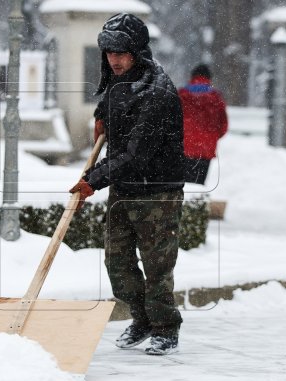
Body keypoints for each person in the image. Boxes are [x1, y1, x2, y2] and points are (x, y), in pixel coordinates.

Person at [69, 13, 185, 356]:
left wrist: (93, 180)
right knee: (117, 265)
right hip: (124, 186)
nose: (114, 60)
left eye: (121, 53)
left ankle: (165, 326)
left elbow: (136, 154)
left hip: (157, 190)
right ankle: (142, 319)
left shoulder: (158, 92)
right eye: (109, 53)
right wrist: (101, 116)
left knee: (157, 265)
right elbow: (111, 104)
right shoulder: (117, 80)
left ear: (137, 51)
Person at [179, 64, 228, 184]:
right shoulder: (215, 97)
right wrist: (211, 137)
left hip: (183, 146)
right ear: (209, 78)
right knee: (198, 186)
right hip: (205, 149)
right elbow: (223, 125)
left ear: (192, 76)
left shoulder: (181, 94)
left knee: (180, 186)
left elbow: (170, 120)